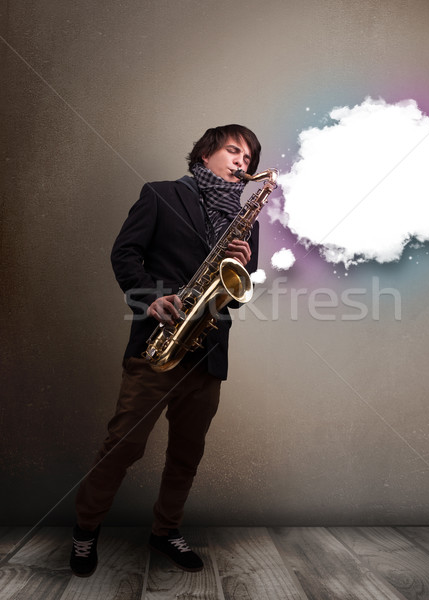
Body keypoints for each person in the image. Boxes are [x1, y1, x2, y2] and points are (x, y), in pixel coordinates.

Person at [69, 124, 261, 577]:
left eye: (249, 159)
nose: (243, 162)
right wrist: (149, 296)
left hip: (208, 349)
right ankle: (84, 531)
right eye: (234, 151)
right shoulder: (160, 194)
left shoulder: (244, 218)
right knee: (123, 445)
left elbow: (236, 291)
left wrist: (246, 259)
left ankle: (165, 531)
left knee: (187, 453)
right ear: (205, 153)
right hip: (160, 338)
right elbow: (125, 254)